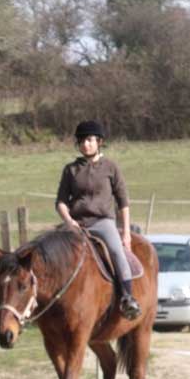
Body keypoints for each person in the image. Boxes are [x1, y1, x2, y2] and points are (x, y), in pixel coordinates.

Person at [55, 120, 141, 320]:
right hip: (75, 224)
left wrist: (126, 233)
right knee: (52, 250)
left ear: (99, 141)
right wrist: (68, 220)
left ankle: (128, 297)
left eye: (90, 140)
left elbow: (123, 202)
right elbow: (60, 201)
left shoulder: (111, 167)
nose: (86, 144)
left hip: (102, 222)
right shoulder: (70, 170)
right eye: (82, 141)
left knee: (117, 251)